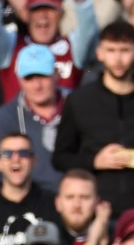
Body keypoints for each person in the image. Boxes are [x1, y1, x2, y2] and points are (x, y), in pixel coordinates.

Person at [53, 20, 134, 219]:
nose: (118, 59)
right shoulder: (80, 100)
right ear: (99, 53)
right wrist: (95, 161)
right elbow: (60, 158)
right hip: (95, 210)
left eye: (125, 50)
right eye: (111, 50)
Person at [0, 43, 63, 192]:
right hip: (29, 199)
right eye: (29, 78)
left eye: (43, 76)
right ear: (19, 79)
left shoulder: (76, 106)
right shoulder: (4, 118)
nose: (37, 85)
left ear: (56, 74)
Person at [56, 169, 111, 245]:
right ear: (58, 203)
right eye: (70, 197)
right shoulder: (50, 237)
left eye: (85, 197)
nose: (77, 205)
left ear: (97, 203)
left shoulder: (114, 233)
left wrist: (104, 243)